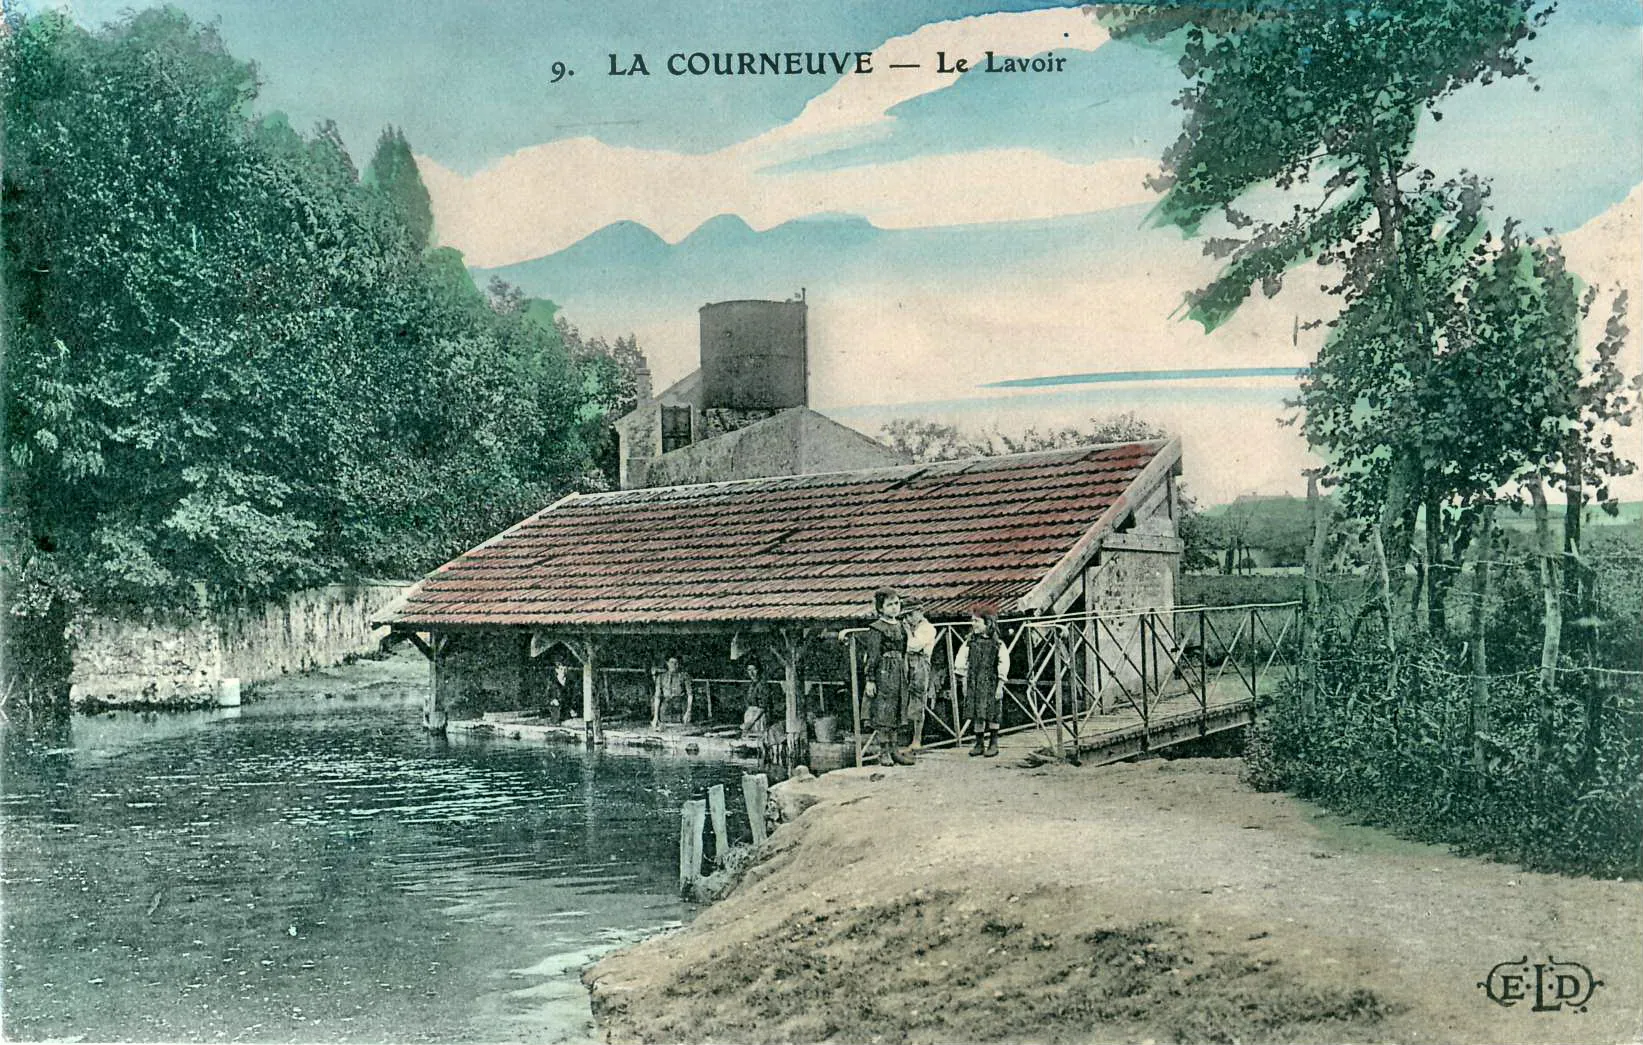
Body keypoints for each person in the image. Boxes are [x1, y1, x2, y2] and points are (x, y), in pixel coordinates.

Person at [858, 588, 913, 765]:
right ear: (881, 608)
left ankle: (895, 750)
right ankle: (883, 751)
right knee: (883, 710)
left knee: (897, 707)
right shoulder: (876, 628)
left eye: (896, 603)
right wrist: (870, 680)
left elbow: (904, 650)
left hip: (898, 671)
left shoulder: (901, 626)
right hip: (883, 672)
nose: (894, 608)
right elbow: (873, 655)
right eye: (889, 605)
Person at [955, 608, 1009, 758]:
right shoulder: (969, 642)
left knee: (992, 712)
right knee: (977, 712)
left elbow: (1003, 664)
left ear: (988, 624)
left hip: (991, 681)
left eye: (976, 621)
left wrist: (1000, 685)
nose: (973, 624)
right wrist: (964, 681)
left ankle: (993, 743)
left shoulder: (997, 644)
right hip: (974, 681)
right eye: (972, 621)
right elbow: (961, 661)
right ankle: (979, 743)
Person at [902, 600, 937, 761]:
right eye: (906, 616)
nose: (908, 619)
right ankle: (904, 738)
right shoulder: (910, 626)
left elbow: (913, 646)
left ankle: (917, 739)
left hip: (920, 665)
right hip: (906, 664)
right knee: (904, 699)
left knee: (918, 700)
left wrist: (908, 633)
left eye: (911, 614)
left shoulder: (927, 628)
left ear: (919, 611)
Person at [652, 656, 693, 729]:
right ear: (667, 663)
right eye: (671, 662)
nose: (673, 665)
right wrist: (655, 716)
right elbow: (657, 697)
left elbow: (690, 695)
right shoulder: (661, 677)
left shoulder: (684, 676)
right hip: (666, 708)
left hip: (680, 707)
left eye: (676, 663)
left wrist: (688, 712)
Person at [740, 660, 773, 738]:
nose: (751, 673)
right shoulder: (752, 685)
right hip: (750, 717)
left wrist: (751, 722)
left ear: (759, 670)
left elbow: (762, 707)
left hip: (758, 718)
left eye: (754, 670)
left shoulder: (762, 685)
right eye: (749, 670)